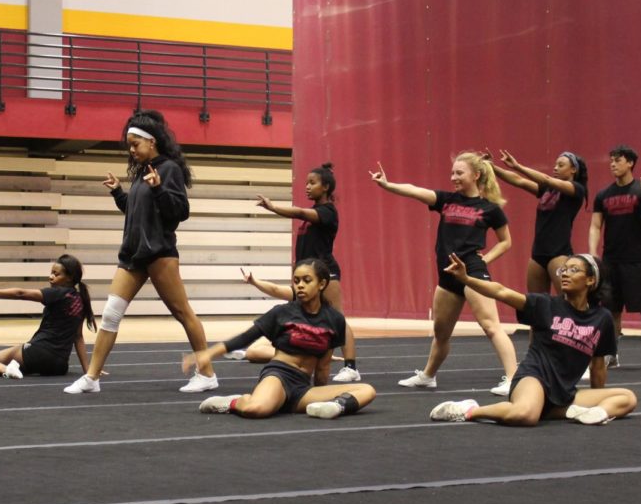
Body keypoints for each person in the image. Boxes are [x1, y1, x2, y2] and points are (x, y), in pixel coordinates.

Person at [64, 109, 217, 394]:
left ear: (152, 142)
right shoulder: (141, 173)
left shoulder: (167, 169)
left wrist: (159, 188)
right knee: (111, 314)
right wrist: (118, 193)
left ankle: (207, 373)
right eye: (129, 145)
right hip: (132, 256)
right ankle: (92, 378)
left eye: (135, 144)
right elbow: (135, 212)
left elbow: (180, 212)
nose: (131, 150)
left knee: (183, 312)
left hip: (159, 254)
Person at [370, 151, 518, 395]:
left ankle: (513, 378)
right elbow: (414, 190)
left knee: (491, 326)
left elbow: (506, 241)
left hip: (472, 273)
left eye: (459, 172)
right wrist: (387, 185)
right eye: (452, 173)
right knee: (441, 333)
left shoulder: (490, 209)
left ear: (476, 175)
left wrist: (486, 258)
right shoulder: (446, 200)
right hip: (448, 275)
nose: (454, 177)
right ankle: (428, 376)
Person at [429, 253, 637, 425]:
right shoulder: (545, 305)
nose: (565, 273)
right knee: (525, 415)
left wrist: (597, 401)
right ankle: (470, 410)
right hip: (534, 378)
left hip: (564, 393)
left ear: (591, 280)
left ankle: (593, 414)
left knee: (627, 397)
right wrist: (466, 279)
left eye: (574, 270)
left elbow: (598, 366)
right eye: (563, 269)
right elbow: (501, 291)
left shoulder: (602, 319)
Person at [185, 259, 376, 419]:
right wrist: (208, 353)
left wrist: (320, 395)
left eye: (307, 280)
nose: (300, 285)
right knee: (256, 409)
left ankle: (336, 407)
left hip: (302, 387)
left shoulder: (334, 320)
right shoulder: (282, 313)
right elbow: (244, 338)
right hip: (279, 376)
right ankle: (235, 401)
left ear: (322, 284)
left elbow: (323, 366)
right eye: (296, 280)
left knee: (367, 390)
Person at [251, 162, 360, 382]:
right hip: (309, 275)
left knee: (338, 318)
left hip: (326, 272)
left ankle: (351, 367)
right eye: (306, 183)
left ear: (326, 187)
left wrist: (273, 207)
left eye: (313, 183)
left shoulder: (327, 212)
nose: (307, 187)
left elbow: (299, 212)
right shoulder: (314, 215)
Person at [588, 145, 641, 370]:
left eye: (618, 160)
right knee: (612, 311)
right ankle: (612, 354)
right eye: (611, 160)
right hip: (611, 261)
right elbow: (595, 225)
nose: (612, 164)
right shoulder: (603, 194)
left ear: (630, 163)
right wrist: (593, 254)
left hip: (637, 261)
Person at [0, 254, 93, 379]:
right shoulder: (80, 299)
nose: (51, 277)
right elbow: (78, 337)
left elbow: (20, 293)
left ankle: (8, 369)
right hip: (59, 365)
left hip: (38, 352)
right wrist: (88, 371)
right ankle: (14, 369)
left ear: (69, 277)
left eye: (56, 274)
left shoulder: (57, 293)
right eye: (51, 273)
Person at [489, 149, 587, 293]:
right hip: (538, 254)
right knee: (536, 304)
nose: (555, 168)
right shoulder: (548, 190)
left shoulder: (577, 190)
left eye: (561, 165)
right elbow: (519, 181)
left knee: (567, 301)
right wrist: (491, 167)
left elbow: (546, 179)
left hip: (558, 253)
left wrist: (517, 166)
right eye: (555, 165)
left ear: (573, 170)